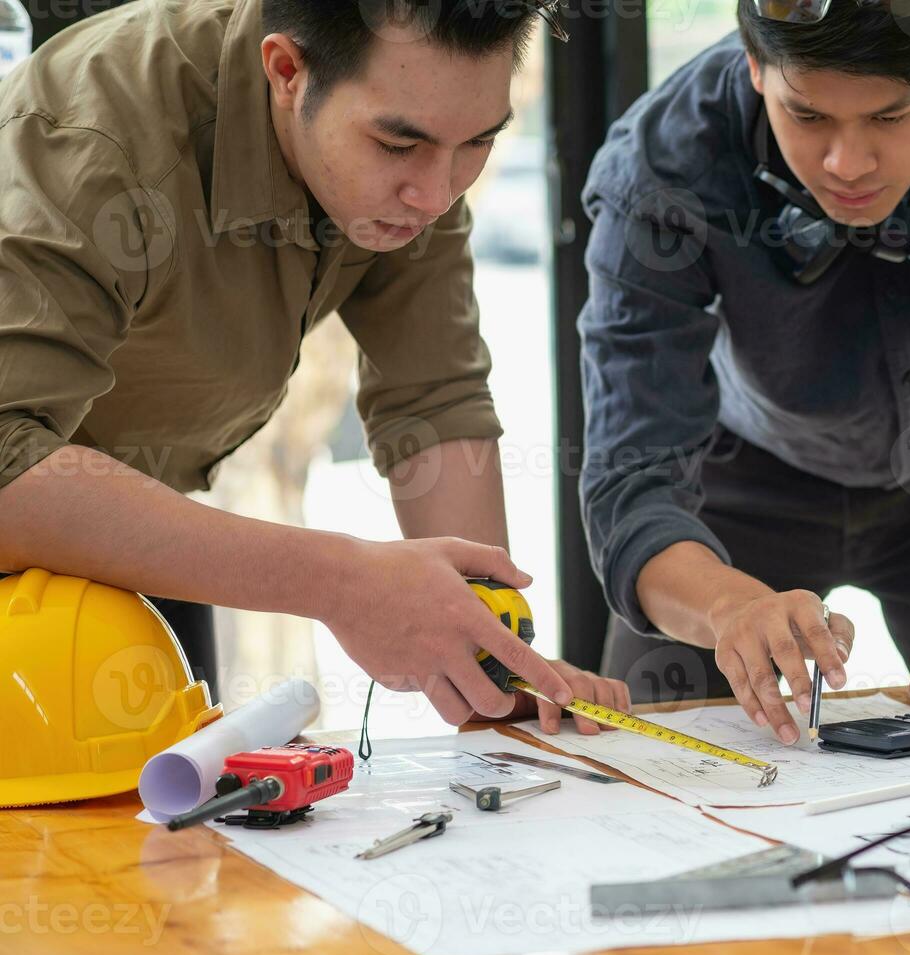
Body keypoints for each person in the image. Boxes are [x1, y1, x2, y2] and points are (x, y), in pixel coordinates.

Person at [0, 0, 629, 735]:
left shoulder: (422, 155)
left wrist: (492, 660)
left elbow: (435, 401)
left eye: (479, 142)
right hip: (38, 512)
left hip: (113, 527)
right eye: (398, 146)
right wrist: (344, 583)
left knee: (183, 825)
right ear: (286, 71)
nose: (436, 193)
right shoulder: (97, 137)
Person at [578, 0, 910, 745]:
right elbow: (632, 485)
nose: (847, 164)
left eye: (888, 118)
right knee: (656, 776)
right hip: (738, 488)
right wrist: (728, 606)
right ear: (753, 65)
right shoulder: (659, 168)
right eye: (808, 116)